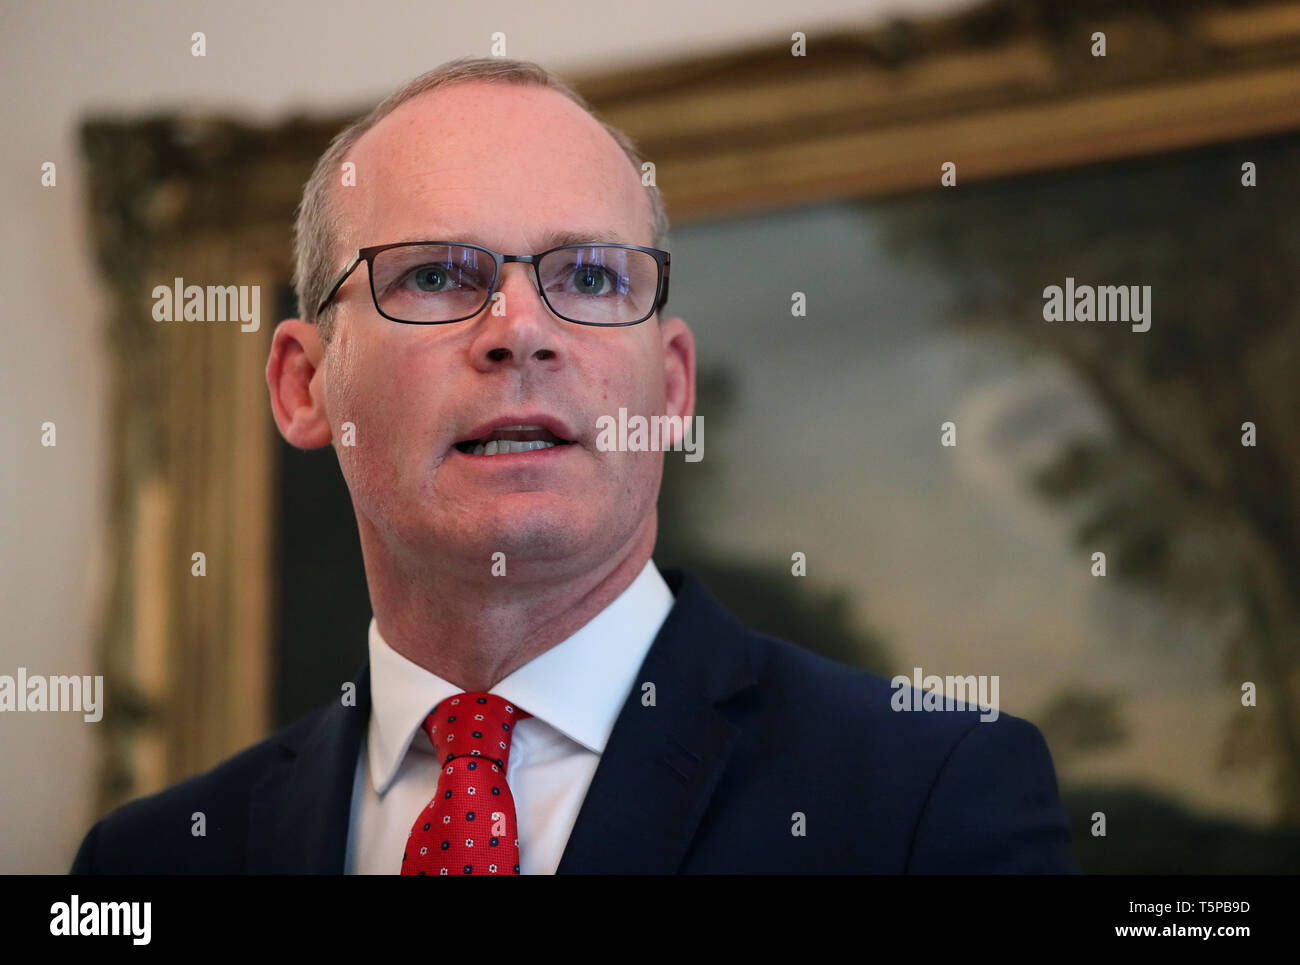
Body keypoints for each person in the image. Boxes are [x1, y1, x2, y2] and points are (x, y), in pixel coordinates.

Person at [71, 56, 1077, 874]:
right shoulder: (148, 862)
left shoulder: (926, 797)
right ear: (304, 385)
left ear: (672, 388)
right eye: (432, 274)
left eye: (589, 277)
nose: (521, 332)